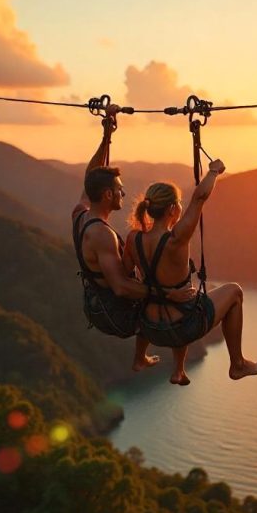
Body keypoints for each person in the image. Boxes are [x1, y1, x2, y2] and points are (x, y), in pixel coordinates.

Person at [72, 105, 194, 372]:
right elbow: (121, 287)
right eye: (119, 191)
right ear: (106, 196)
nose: (123, 195)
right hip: (114, 313)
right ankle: (176, 367)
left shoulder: (80, 214)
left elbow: (90, 177)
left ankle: (141, 358)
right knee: (163, 295)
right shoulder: (102, 235)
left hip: (93, 303)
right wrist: (168, 295)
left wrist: (107, 136)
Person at [125, 159, 257, 386]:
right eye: (179, 203)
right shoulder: (176, 239)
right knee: (234, 292)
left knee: (185, 296)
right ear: (172, 209)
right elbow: (199, 197)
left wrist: (161, 292)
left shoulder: (133, 238)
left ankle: (175, 370)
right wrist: (213, 172)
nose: (181, 206)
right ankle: (237, 363)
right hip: (183, 327)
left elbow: (126, 278)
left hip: (150, 327)